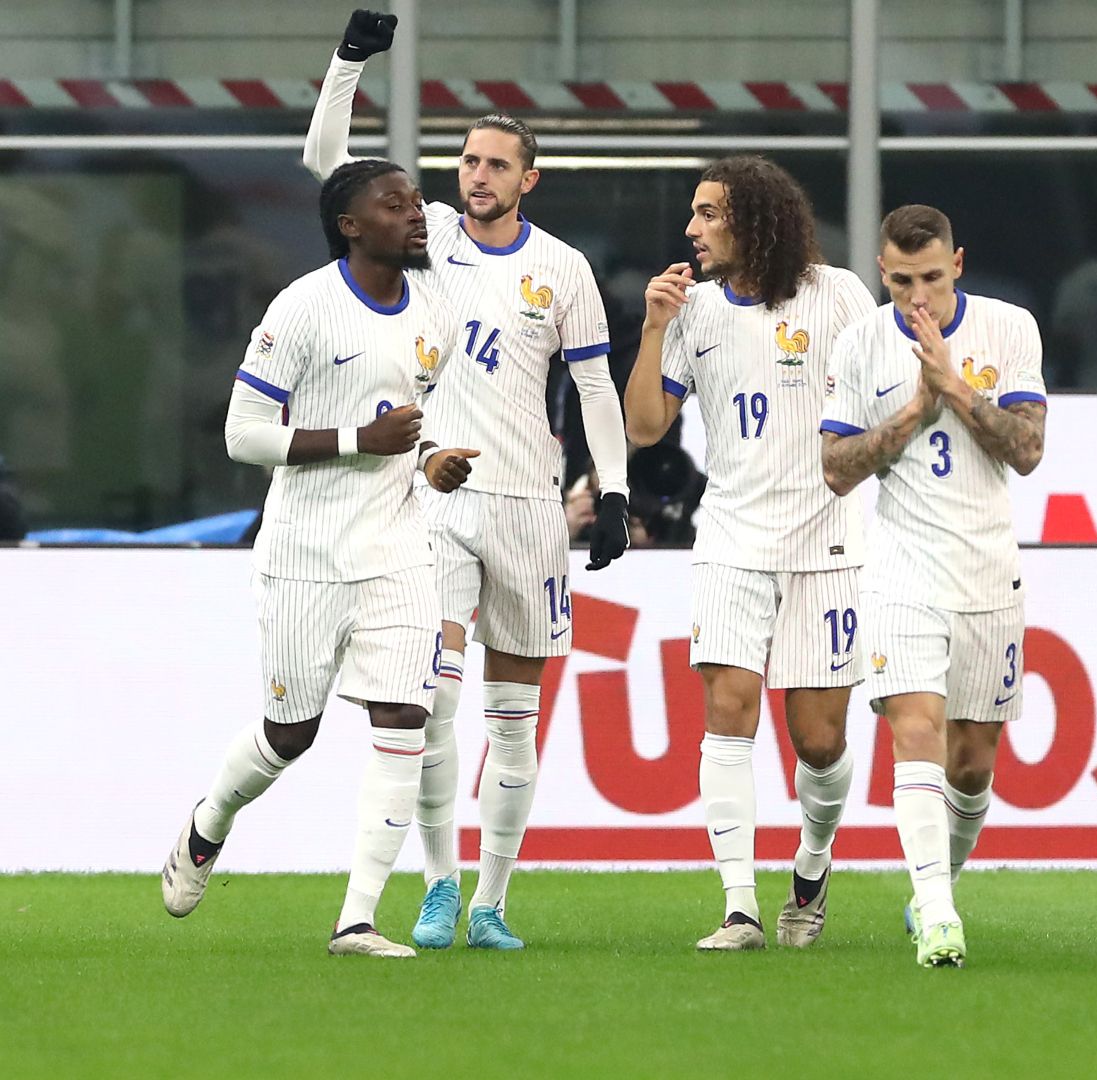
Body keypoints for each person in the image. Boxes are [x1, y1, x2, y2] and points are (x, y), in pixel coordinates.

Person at [303, 9, 633, 951]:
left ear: (528, 180)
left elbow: (594, 384)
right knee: (436, 699)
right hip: (433, 499)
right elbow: (332, 169)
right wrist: (348, 63)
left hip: (530, 505)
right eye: (468, 160)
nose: (474, 175)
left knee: (516, 718)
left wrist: (610, 489)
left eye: (495, 164)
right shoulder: (428, 233)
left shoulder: (561, 269)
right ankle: (439, 886)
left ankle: (492, 899)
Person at [160, 158, 478, 958]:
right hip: (305, 554)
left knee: (409, 713)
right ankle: (209, 823)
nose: (416, 216)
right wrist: (354, 442)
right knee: (288, 735)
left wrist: (429, 455)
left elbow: (410, 419)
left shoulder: (431, 308)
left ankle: (358, 919)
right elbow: (242, 434)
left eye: (415, 202)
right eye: (395, 204)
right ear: (350, 225)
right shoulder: (302, 308)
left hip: (400, 548)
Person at [623, 156, 875, 951]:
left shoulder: (836, 296)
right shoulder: (690, 309)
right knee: (727, 715)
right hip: (730, 538)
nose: (691, 229)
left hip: (828, 543)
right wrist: (653, 326)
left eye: (707, 214)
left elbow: (884, 395)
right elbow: (642, 427)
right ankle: (739, 907)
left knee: (819, 743)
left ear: (755, 220)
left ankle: (812, 863)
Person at [820, 205, 1047, 968]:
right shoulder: (859, 343)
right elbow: (836, 468)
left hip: (987, 567)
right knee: (915, 730)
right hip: (901, 566)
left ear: (959, 263)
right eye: (904, 281)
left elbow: (1027, 451)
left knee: (973, 762)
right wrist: (915, 411)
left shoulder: (1010, 328)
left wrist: (953, 386)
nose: (919, 297)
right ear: (883, 273)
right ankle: (943, 916)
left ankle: (931, 892)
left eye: (934, 278)